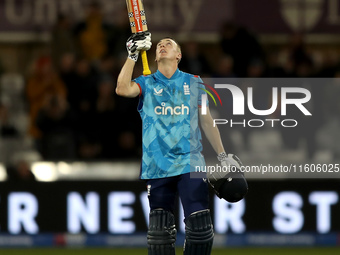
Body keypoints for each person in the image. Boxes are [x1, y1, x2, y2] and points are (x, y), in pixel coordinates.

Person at [116, 32, 247, 255]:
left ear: (179, 55)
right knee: (160, 236)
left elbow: (207, 121)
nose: (162, 46)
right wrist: (132, 55)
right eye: (159, 46)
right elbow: (122, 89)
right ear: (155, 57)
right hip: (157, 165)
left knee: (200, 231)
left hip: (190, 161)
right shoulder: (146, 83)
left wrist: (223, 156)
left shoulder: (194, 82)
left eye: (169, 44)